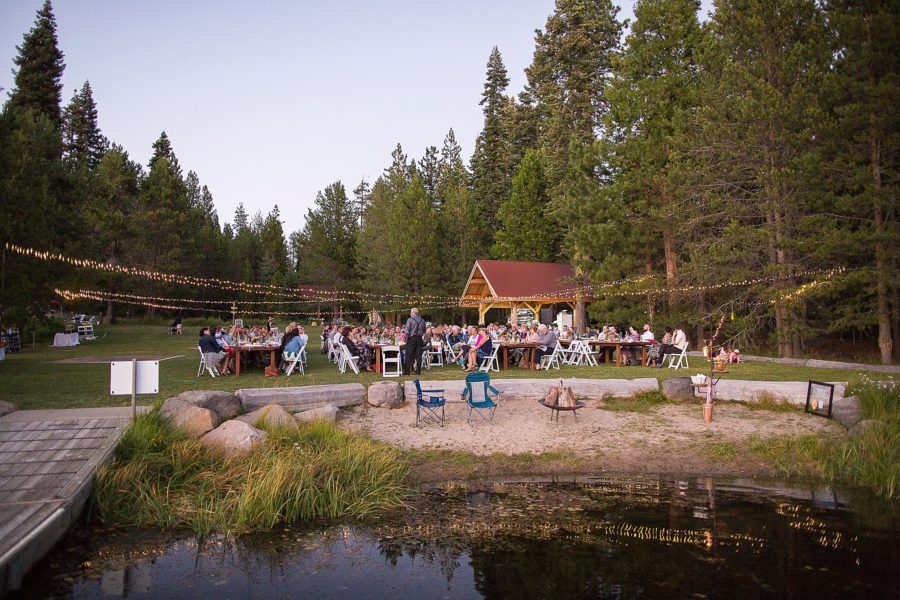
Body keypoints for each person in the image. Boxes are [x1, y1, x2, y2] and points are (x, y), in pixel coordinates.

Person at [402, 308, 427, 376]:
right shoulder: (422, 320)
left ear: (413, 313)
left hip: (412, 338)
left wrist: (406, 338)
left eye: (410, 312)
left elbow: (407, 331)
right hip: (419, 338)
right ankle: (418, 371)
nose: (410, 314)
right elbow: (424, 330)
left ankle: (407, 372)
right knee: (419, 356)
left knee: (408, 355)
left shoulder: (410, 320)